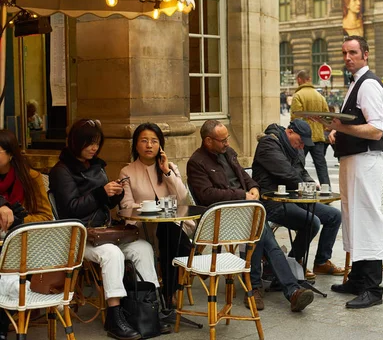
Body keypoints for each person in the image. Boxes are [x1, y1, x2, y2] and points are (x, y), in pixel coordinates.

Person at [49, 119, 163, 340]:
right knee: (112, 254)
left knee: (143, 247)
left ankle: (147, 309)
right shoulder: (61, 171)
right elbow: (70, 208)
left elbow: (106, 205)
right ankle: (115, 316)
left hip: (104, 232)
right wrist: (101, 192)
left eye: (97, 143)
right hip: (78, 238)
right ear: (76, 142)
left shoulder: (97, 166)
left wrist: (116, 193)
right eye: (89, 143)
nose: (93, 148)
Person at [187, 120, 314, 312]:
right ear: (208, 141)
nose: (227, 143)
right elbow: (206, 194)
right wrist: (242, 195)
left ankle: (257, 287)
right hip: (223, 215)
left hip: (248, 209)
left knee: (261, 233)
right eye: (222, 140)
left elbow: (246, 178)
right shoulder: (197, 162)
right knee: (261, 233)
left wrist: (254, 188)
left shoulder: (228, 154)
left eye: (227, 138)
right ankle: (276, 289)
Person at [326, 35, 383, 309]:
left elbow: (375, 129)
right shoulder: (355, 84)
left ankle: (373, 288)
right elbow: (355, 124)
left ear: (365, 53)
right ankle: (358, 279)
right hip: (353, 158)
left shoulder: (369, 84)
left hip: (365, 160)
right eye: (344, 53)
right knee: (353, 218)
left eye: (353, 52)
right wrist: (337, 134)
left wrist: (342, 128)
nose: (348, 57)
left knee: (367, 219)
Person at [252, 119, 344, 278]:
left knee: (334, 216)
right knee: (312, 222)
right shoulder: (269, 144)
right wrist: (305, 185)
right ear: (289, 132)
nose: (302, 146)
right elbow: (286, 173)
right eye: (300, 142)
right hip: (272, 201)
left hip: (294, 197)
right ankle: (293, 262)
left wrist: (310, 183)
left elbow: (301, 171)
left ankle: (321, 262)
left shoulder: (295, 146)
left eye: (304, 144)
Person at [119, 123, 191, 307]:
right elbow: (127, 205)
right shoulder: (127, 171)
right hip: (144, 227)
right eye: (144, 141)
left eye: (154, 141)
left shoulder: (170, 167)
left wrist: (166, 172)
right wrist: (157, 207)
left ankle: (169, 291)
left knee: (168, 232)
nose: (149, 145)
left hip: (175, 224)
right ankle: (175, 285)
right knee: (169, 235)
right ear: (136, 145)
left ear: (160, 145)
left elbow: (183, 199)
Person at [0, 129, 54, 340]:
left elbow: (45, 216)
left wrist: (19, 220)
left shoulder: (31, 178)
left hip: (24, 243)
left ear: (11, 153)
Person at [291, 70, 331, 186]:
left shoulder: (298, 95)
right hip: (318, 137)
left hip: (302, 138)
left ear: (299, 80)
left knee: (297, 164)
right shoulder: (320, 96)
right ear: (309, 79)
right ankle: (326, 190)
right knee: (321, 166)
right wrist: (321, 128)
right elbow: (327, 116)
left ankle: (295, 188)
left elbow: (295, 117)